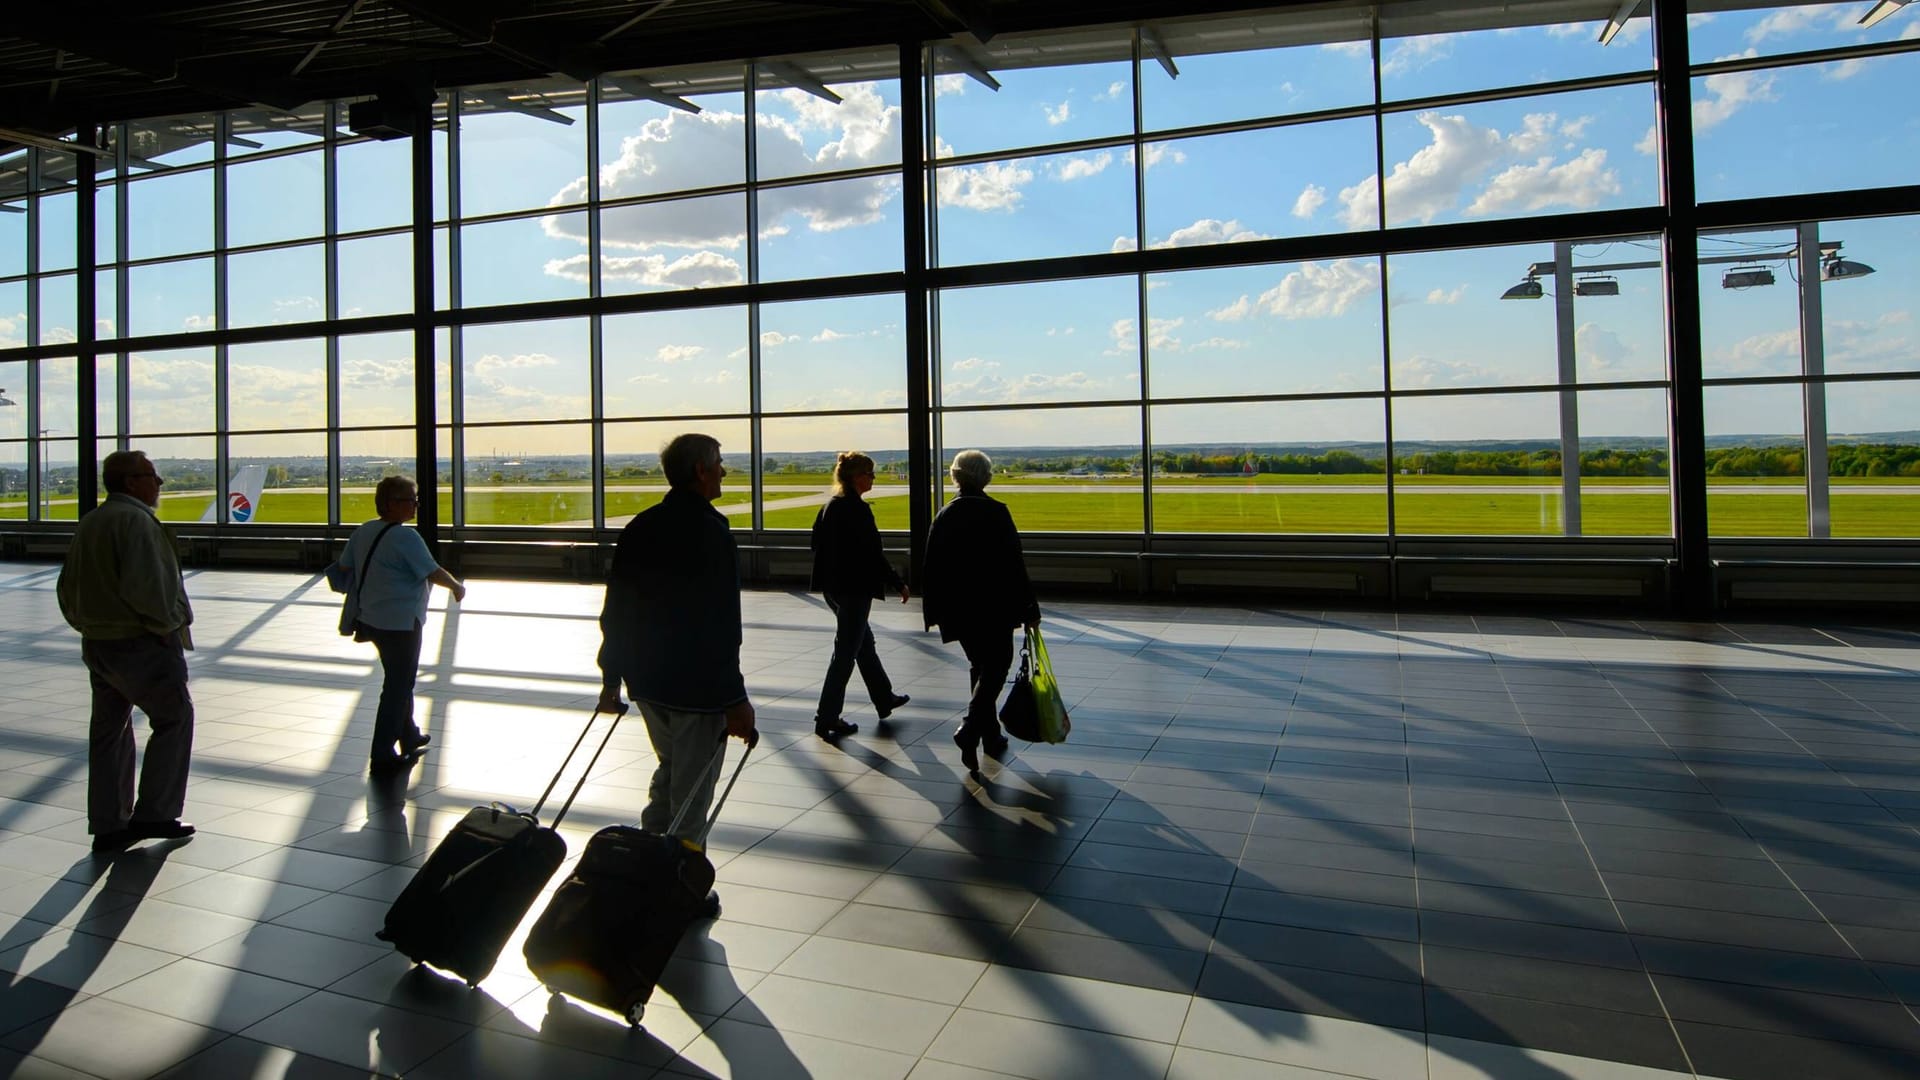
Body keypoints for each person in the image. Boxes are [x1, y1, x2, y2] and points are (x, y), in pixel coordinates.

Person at [598, 433, 758, 915]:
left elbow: (617, 609)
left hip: (647, 682)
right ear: (701, 472)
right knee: (691, 794)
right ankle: (680, 889)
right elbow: (719, 625)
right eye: (720, 463)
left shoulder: (642, 526)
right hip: (697, 689)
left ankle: (648, 862)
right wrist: (735, 698)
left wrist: (611, 677)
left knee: (670, 775)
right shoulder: (711, 532)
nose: (725, 470)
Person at [56, 450, 199, 854]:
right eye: (153, 476)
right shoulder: (136, 522)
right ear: (132, 481)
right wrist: (166, 627)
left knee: (109, 732)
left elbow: (67, 586)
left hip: (100, 642)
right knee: (174, 718)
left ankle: (108, 821)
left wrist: (87, 625)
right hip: (141, 642)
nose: (159, 484)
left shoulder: (92, 522)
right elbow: (150, 590)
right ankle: (155, 812)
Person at [332, 475, 465, 775]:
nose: (416, 505)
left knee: (397, 677)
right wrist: (457, 586)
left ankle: (409, 733)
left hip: (371, 618)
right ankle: (382, 750)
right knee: (398, 684)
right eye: (410, 500)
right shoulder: (405, 537)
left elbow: (344, 568)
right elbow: (431, 571)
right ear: (391, 504)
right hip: (401, 622)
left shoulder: (364, 531)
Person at [921, 449, 1040, 776]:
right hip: (994, 606)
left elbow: (932, 569)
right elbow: (1015, 565)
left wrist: (933, 612)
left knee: (981, 666)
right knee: (998, 664)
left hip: (958, 610)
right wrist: (1030, 607)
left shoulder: (944, 515)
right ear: (985, 477)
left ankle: (990, 733)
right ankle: (971, 728)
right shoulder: (996, 513)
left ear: (956, 476)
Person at [808, 451, 911, 742]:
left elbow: (816, 542)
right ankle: (827, 716)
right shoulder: (857, 509)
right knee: (846, 652)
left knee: (862, 643)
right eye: (870, 473)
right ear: (857, 477)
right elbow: (873, 554)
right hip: (854, 589)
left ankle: (883, 697)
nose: (873, 478)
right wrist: (897, 583)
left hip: (834, 588)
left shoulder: (830, 506)